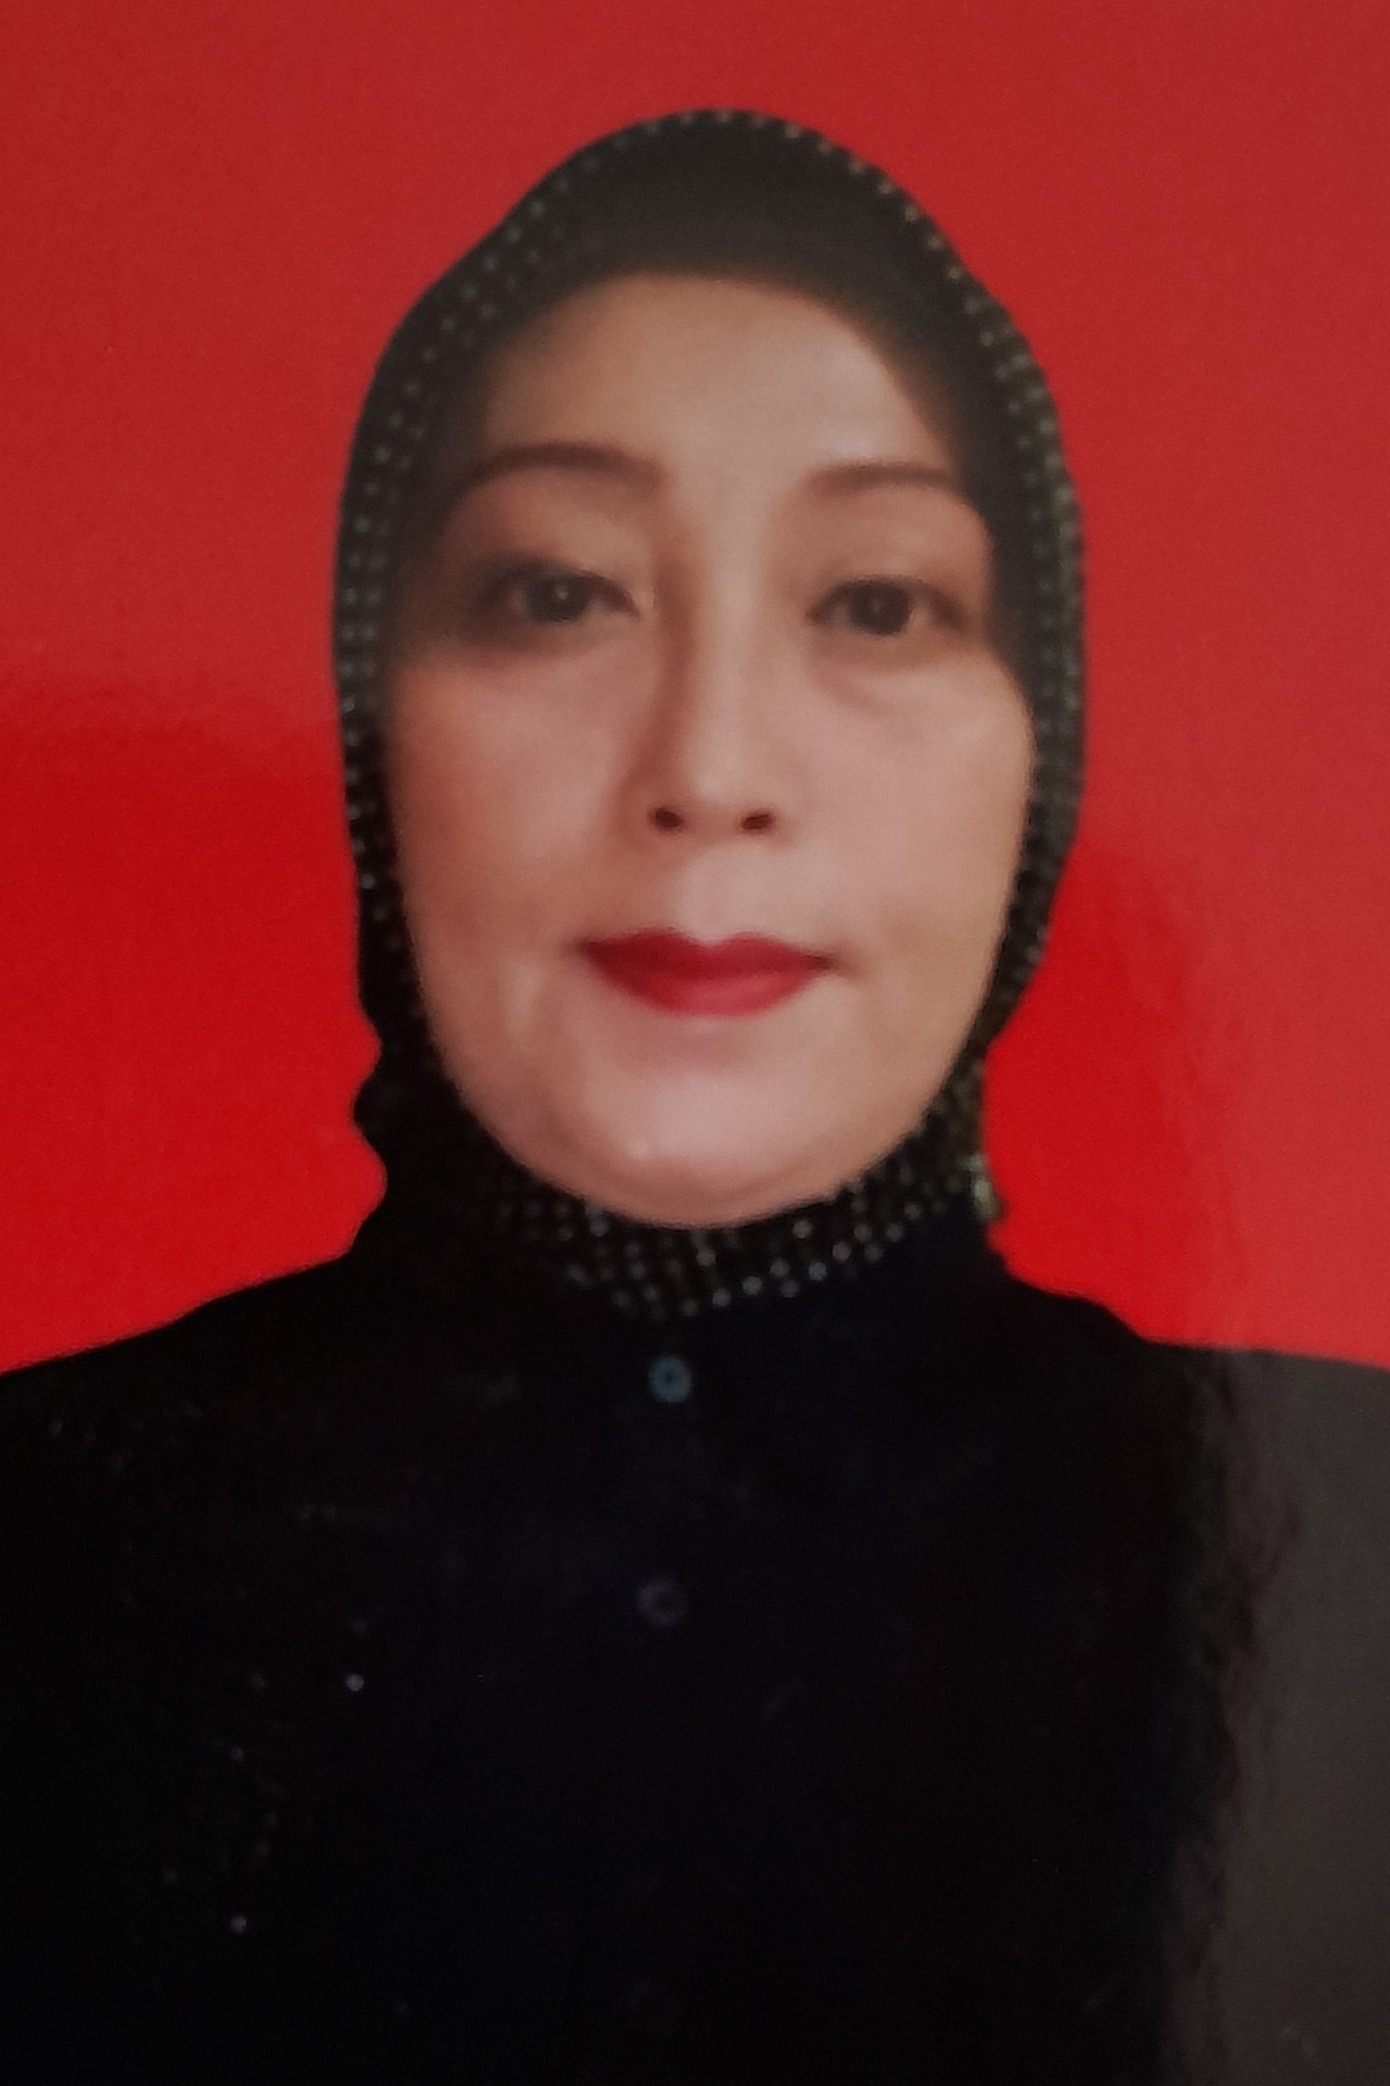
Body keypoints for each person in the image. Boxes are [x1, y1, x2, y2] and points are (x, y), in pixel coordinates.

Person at [1, 109, 1387, 2085]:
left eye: (876, 601)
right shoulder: (41, 1539)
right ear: (378, 739)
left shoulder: (1347, 1555)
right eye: (557, 590)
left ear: (1039, 752)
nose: (709, 767)